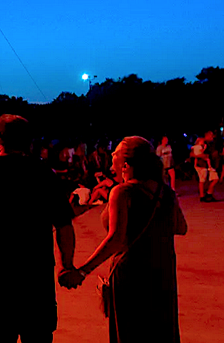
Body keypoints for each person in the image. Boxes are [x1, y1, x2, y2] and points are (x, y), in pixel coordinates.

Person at [0, 114, 78, 343]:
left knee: (0, 335)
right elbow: (64, 226)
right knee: (39, 336)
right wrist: (67, 265)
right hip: (37, 277)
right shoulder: (44, 173)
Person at [73, 136, 188, 343]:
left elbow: (116, 239)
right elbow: (181, 227)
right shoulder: (166, 192)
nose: (111, 160)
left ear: (125, 164)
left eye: (114, 156)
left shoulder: (123, 192)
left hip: (132, 271)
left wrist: (83, 270)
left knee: (130, 330)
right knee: (159, 330)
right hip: (162, 270)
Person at [191, 132, 219, 202]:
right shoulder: (202, 143)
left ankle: (208, 193)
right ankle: (204, 195)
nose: (213, 137)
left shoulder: (211, 144)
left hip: (210, 164)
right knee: (203, 180)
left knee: (214, 179)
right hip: (202, 164)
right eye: (211, 136)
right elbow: (192, 154)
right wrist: (202, 156)